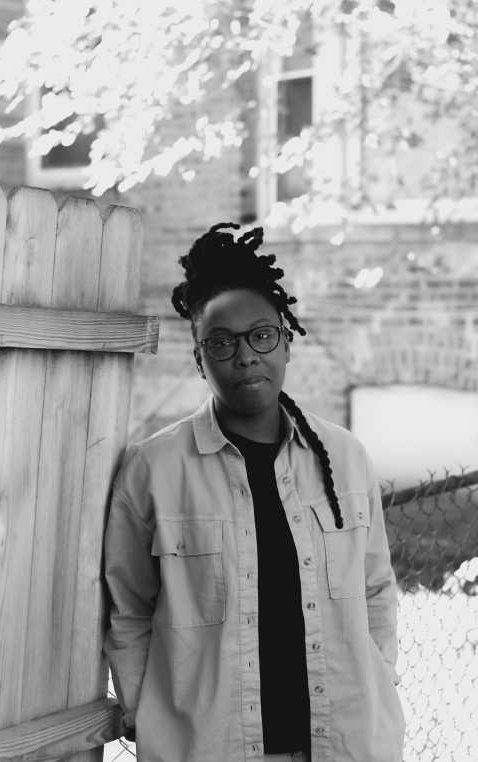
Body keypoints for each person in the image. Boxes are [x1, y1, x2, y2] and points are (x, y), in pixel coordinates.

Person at [103, 223, 405, 761]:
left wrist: (380, 673)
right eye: (221, 343)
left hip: (345, 743)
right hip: (209, 745)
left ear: (286, 341)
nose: (245, 356)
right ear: (200, 360)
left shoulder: (347, 458)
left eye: (262, 335)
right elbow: (127, 607)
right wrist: (137, 708)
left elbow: (376, 588)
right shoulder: (153, 471)